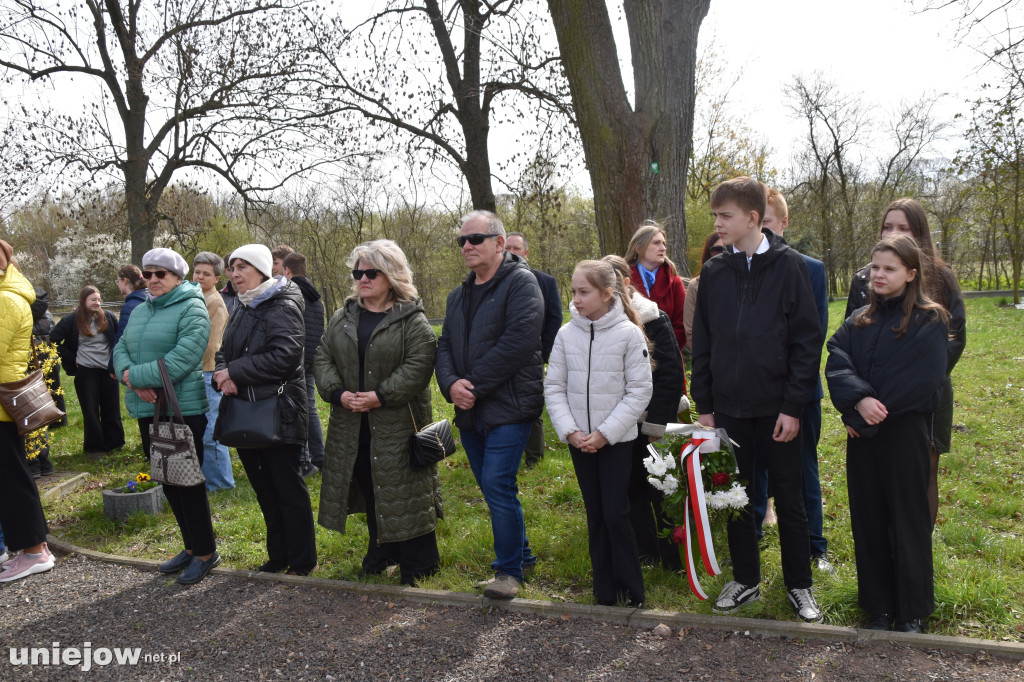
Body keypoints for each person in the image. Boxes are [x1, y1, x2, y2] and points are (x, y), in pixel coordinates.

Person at [691, 177, 823, 623]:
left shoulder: (790, 267)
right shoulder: (715, 272)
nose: (717, 224)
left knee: (789, 497)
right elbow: (703, 344)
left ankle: (799, 584)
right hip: (729, 410)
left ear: (752, 218)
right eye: (715, 215)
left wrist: (793, 406)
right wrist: (706, 408)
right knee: (735, 497)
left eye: (725, 216)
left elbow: (806, 341)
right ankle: (745, 578)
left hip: (778, 411)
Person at [826, 234, 949, 634]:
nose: (879, 275)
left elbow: (922, 382)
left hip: (905, 436)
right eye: (875, 267)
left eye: (889, 269)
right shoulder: (859, 320)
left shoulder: (931, 321)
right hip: (863, 441)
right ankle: (877, 607)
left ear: (911, 274)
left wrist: (865, 413)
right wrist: (857, 402)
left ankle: (911, 611)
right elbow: (837, 361)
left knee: (908, 520)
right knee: (870, 520)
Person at [314, 240, 441, 586]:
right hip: (352, 422)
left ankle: (420, 563)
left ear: (392, 274)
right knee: (371, 484)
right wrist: (338, 394)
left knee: (407, 489)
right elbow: (322, 357)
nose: (363, 279)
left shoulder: (411, 319)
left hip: (398, 423)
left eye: (372, 272)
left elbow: (419, 364)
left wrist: (380, 396)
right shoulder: (342, 317)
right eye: (358, 273)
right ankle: (381, 551)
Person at [435, 210, 544, 600]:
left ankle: (508, 573)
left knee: (498, 483)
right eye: (461, 240)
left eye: (475, 239)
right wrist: (451, 384)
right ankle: (523, 556)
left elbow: (519, 342)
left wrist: (473, 386)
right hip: (470, 410)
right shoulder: (458, 295)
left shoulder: (521, 284)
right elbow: (444, 345)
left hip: (510, 406)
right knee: (491, 487)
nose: (466, 246)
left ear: (499, 243)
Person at [844, 198, 966, 528]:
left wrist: (914, 382)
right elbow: (850, 341)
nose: (894, 232)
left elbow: (955, 338)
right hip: (870, 399)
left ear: (920, 232)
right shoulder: (864, 279)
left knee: (924, 471)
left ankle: (916, 546)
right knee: (877, 477)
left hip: (924, 397)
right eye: (888, 226)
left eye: (903, 227)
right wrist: (860, 397)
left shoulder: (940, 277)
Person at [545, 260, 653, 606]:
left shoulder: (628, 334)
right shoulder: (566, 334)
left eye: (584, 292)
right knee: (595, 513)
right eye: (574, 291)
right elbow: (554, 387)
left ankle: (632, 589)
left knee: (615, 513)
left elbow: (639, 391)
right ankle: (604, 591)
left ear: (607, 294)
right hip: (579, 442)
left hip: (616, 441)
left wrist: (606, 433)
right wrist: (570, 431)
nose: (576, 299)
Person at [113, 247, 220, 585]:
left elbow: (184, 358)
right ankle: (190, 547)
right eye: (148, 274)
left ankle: (206, 552)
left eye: (161, 274)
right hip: (147, 407)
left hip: (181, 409)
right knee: (167, 481)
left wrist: (136, 377)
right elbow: (120, 348)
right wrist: (130, 377)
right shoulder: (141, 309)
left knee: (188, 482)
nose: (153, 279)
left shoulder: (192, 307)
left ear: (177, 277)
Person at [214, 244, 317, 575]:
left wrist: (235, 372)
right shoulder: (244, 305)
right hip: (246, 409)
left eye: (242, 267)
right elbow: (225, 350)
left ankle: (301, 561)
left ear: (261, 270)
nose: (235, 274)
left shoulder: (282, 303)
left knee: (287, 489)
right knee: (264, 490)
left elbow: (285, 356)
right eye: (232, 268)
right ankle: (278, 556)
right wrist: (223, 372)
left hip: (279, 410)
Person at [757, 186, 831, 571]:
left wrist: (792, 393)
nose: (762, 232)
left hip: (797, 391)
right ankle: (751, 537)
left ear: (783, 223)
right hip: (753, 393)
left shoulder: (810, 269)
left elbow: (811, 335)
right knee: (754, 469)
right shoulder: (739, 268)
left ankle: (814, 546)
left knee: (803, 470)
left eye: (768, 223)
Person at [604, 255, 685, 571]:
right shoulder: (599, 321)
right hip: (620, 423)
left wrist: (656, 424)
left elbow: (671, 374)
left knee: (662, 489)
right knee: (632, 488)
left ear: (626, 283)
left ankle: (673, 557)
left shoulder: (652, 317)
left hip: (653, 420)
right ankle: (645, 552)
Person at [0, 240, 55, 583]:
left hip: (1, 403)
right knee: (11, 478)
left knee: (13, 480)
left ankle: (35, 552)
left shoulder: (6, 299)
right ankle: (31, 549)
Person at [504, 232, 562, 469]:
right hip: (502, 356)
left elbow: (554, 319)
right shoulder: (493, 282)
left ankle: (534, 458)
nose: (511, 253)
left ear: (526, 253)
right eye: (507, 248)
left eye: (516, 248)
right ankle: (509, 454)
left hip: (533, 356)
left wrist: (544, 353)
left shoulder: (545, 281)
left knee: (531, 406)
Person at [51, 285, 125, 455]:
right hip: (86, 371)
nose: (97, 303)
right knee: (90, 410)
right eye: (93, 300)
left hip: (108, 370)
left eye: (99, 299)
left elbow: (119, 339)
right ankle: (94, 448)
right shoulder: (71, 320)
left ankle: (115, 444)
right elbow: (53, 340)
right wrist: (72, 358)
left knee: (112, 407)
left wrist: (116, 362)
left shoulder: (108, 317)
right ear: (83, 301)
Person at [192, 252, 234, 491]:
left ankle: (221, 482)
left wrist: (188, 363)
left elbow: (211, 345)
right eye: (197, 272)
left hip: (207, 371)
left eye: (206, 274)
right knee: (201, 429)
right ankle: (209, 478)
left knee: (211, 430)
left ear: (217, 278)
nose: (200, 277)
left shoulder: (214, 302)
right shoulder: (197, 297)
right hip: (197, 372)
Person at [282, 251, 326, 477]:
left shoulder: (290, 293)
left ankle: (305, 460)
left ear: (287, 270)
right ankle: (319, 455)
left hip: (294, 360)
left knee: (297, 409)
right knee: (310, 408)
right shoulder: (315, 297)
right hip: (311, 359)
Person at [625, 222, 688, 361]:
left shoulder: (674, 282)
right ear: (638, 248)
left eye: (664, 244)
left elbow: (682, 326)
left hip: (668, 360)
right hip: (631, 359)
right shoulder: (623, 280)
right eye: (656, 243)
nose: (663, 248)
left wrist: (663, 351)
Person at [681, 233, 724, 353]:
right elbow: (690, 331)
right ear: (708, 253)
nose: (723, 254)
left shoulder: (745, 282)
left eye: (728, 249)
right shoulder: (696, 286)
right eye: (717, 250)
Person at [111, 265, 148, 366]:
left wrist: (113, 366)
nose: (118, 285)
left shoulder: (130, 306)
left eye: (118, 281)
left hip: (133, 362)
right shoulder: (150, 299)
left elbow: (121, 338)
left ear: (125, 281)